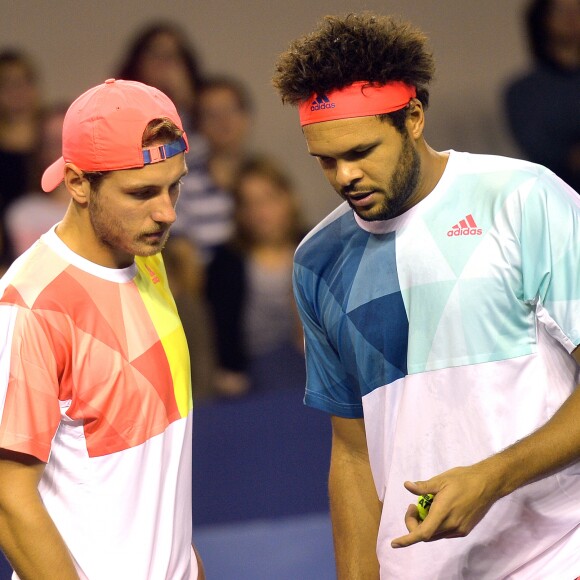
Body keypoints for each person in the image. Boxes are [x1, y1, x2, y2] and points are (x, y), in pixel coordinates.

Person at [272, 12, 580, 578]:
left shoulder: (524, 198)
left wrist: (492, 477)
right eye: (325, 160)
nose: (344, 177)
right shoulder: (317, 260)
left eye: (361, 151)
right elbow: (352, 454)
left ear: (413, 118)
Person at [0, 78, 204, 579]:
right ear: (76, 183)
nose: (167, 212)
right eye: (142, 192)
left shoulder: (146, 258)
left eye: (175, 184)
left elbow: (154, 465)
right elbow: (8, 498)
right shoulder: (29, 306)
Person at [206, 156, 306, 397]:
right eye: (249, 204)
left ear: (287, 198)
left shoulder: (314, 248)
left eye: (268, 199)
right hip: (250, 370)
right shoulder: (226, 262)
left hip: (309, 362)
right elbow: (219, 330)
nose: (261, 213)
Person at [504, 0, 580, 192]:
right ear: (544, 20)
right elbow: (541, 150)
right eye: (562, 11)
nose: (572, 18)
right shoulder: (523, 91)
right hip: (560, 192)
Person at [5, 103, 70, 256]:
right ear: (41, 151)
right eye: (54, 143)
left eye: (69, 142)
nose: (64, 153)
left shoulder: (108, 210)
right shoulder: (24, 213)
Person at [0, 49, 43, 267]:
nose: (17, 91)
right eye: (8, 83)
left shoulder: (52, 137)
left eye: (24, 81)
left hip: (46, 232)